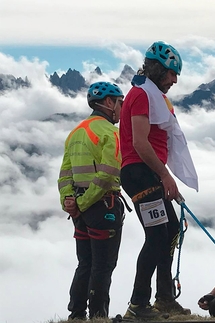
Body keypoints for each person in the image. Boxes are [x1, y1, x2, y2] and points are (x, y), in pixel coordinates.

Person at [119, 40, 198, 319]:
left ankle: (164, 298)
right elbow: (140, 142)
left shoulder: (150, 94)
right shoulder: (141, 94)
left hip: (148, 173)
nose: (174, 79)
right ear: (157, 70)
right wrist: (166, 175)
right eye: (171, 73)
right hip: (140, 173)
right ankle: (138, 304)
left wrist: (163, 175)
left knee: (171, 230)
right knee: (156, 236)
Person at [58, 81, 125, 320]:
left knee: (84, 262)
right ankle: (98, 315)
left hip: (79, 210)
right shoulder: (110, 133)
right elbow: (108, 175)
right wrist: (85, 203)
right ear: (108, 103)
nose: (121, 108)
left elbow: (65, 174)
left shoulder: (75, 133)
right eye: (120, 102)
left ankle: (76, 313)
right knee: (103, 264)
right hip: (102, 206)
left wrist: (69, 202)